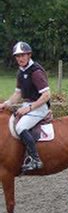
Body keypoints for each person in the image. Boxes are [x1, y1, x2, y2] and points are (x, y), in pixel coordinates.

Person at [0, 41, 51, 172]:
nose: (20, 58)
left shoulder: (36, 72)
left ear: (29, 55)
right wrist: (5, 104)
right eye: (17, 56)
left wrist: (28, 108)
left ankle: (35, 159)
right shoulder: (21, 72)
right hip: (28, 104)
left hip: (40, 107)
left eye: (23, 55)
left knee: (21, 126)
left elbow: (46, 95)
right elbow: (18, 93)